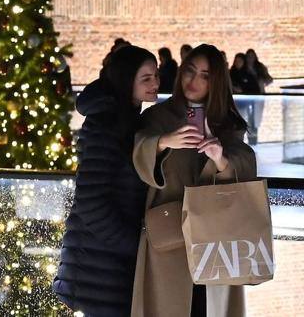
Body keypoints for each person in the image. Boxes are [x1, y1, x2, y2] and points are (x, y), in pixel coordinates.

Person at [131, 44, 256, 317]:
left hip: (216, 238)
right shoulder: (157, 117)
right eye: (190, 71)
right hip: (169, 235)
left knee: (209, 305)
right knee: (169, 304)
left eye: (205, 75)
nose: (194, 80)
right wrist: (163, 142)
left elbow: (245, 169)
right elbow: (138, 156)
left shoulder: (228, 123)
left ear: (216, 81)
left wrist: (220, 157)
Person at [53, 45, 160, 316]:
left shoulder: (127, 120)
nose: (156, 83)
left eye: (156, 75)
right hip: (95, 269)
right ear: (127, 80)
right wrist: (136, 244)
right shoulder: (105, 125)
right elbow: (91, 203)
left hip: (105, 268)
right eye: (146, 78)